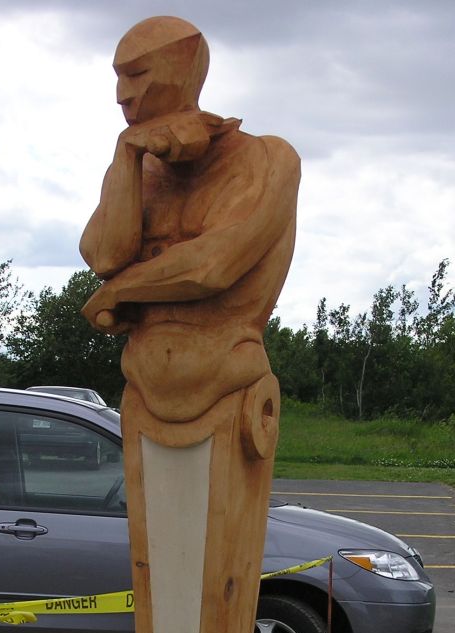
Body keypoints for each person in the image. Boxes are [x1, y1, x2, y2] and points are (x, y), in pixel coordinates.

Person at [79, 15, 301, 423]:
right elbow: (104, 258)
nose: (120, 96)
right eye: (118, 78)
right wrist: (128, 154)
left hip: (230, 391)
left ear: (179, 70)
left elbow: (213, 265)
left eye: (136, 75)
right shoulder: (135, 171)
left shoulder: (265, 158)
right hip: (141, 392)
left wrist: (120, 291)